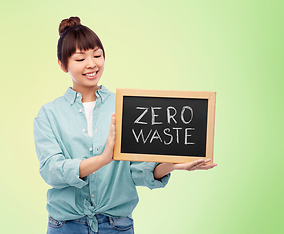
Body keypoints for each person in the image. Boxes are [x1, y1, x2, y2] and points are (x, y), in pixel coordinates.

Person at [33, 16, 217, 234]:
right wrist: (103, 160)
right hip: (66, 226)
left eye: (97, 55)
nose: (91, 64)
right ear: (63, 65)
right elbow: (52, 171)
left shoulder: (125, 105)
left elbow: (136, 171)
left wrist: (174, 164)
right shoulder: (49, 114)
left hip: (116, 226)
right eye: (80, 59)